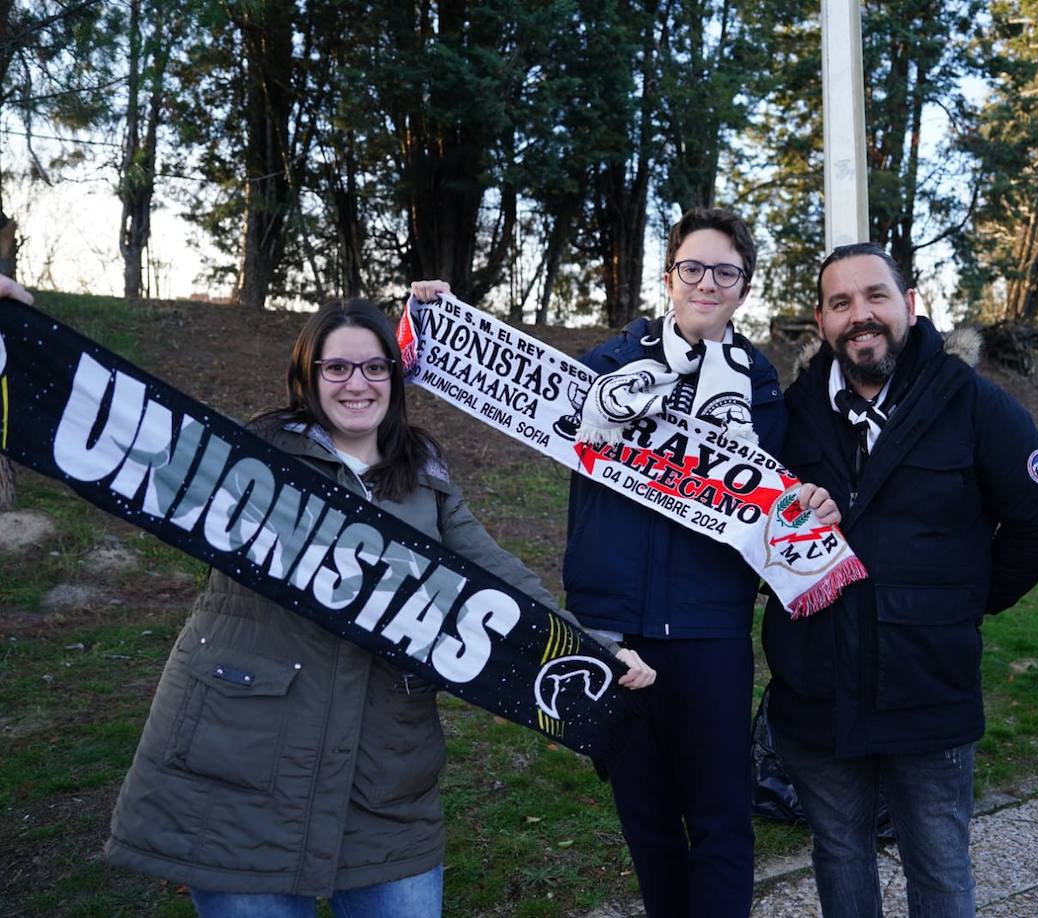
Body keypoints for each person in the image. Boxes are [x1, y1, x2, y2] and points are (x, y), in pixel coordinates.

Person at [103, 298, 655, 917]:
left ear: (397, 375)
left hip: (384, 775)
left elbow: (501, 578)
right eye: (336, 368)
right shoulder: (248, 457)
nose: (357, 384)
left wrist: (591, 651)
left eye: (374, 367)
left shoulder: (423, 473)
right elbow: (121, 439)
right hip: (241, 759)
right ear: (307, 376)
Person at [760, 243, 1038, 916]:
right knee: (840, 855)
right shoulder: (791, 416)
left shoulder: (974, 404)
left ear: (910, 304)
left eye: (876, 296)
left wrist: (967, 600)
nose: (860, 316)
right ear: (821, 321)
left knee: (938, 866)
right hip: (816, 685)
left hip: (927, 686)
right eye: (841, 303)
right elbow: (749, 531)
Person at [560, 207, 837, 918]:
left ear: (743, 288)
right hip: (616, 626)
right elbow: (508, 387)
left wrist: (811, 499)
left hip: (711, 630)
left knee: (720, 817)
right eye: (693, 268)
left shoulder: (761, 386)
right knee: (646, 819)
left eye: (725, 271)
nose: (706, 282)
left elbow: (790, 484)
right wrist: (438, 321)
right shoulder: (607, 367)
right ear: (669, 276)